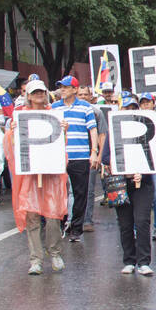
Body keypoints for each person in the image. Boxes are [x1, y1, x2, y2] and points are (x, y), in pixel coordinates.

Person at [3, 78, 68, 275]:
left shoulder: (54, 115)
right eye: (35, 92)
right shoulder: (19, 117)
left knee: (53, 215)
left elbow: (60, 146)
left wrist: (64, 130)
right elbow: (11, 147)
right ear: (28, 96)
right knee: (31, 214)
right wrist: (13, 134)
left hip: (51, 174)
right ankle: (35, 259)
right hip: (29, 175)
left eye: (42, 91)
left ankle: (55, 252)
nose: (39, 95)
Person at [108, 92, 155, 275]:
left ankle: (144, 261)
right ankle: (129, 260)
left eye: (132, 108)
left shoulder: (146, 127)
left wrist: (142, 172)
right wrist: (124, 171)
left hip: (143, 182)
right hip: (121, 183)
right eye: (125, 108)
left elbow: (153, 157)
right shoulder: (114, 131)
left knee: (142, 221)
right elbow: (106, 156)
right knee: (125, 223)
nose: (129, 111)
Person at [51, 75, 99, 243]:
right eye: (61, 87)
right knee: (60, 193)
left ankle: (76, 229)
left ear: (74, 89)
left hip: (80, 156)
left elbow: (93, 130)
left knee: (80, 193)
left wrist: (94, 152)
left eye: (65, 87)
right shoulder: (54, 107)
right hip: (59, 156)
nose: (62, 90)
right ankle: (63, 223)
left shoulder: (86, 108)